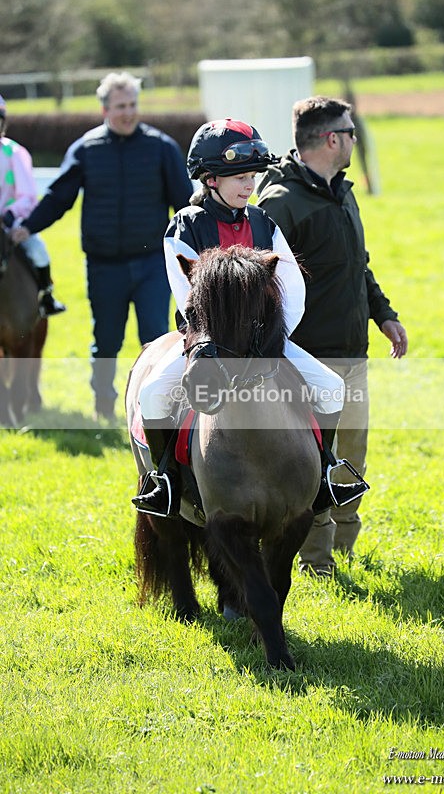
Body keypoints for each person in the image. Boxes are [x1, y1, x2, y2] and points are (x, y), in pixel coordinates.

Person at [132, 118, 368, 518]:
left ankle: (325, 471)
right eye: (240, 177)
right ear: (210, 179)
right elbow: (189, 295)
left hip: (264, 341)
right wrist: (223, 338)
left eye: (253, 176)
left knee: (330, 386)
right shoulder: (185, 226)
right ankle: (166, 480)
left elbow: (292, 286)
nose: (250, 185)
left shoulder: (263, 222)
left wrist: (275, 338)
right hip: (206, 342)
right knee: (152, 393)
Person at [256, 96, 408, 577]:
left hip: (353, 354)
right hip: (307, 360)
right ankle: (314, 560)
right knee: (314, 462)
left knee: (351, 456)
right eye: (350, 130)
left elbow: (356, 264)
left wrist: (383, 314)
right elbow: (264, 287)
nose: (354, 138)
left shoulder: (343, 191)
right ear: (330, 138)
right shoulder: (280, 203)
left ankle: (343, 548)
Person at [11, 72, 193, 421]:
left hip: (151, 265)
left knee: (156, 340)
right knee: (106, 342)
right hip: (104, 265)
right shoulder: (86, 149)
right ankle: (103, 407)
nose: (128, 112)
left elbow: (184, 206)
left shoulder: (161, 147)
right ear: (105, 109)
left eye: (133, 105)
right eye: (121, 106)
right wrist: (27, 228)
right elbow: (58, 198)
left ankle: (156, 411)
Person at [0, 94, 66, 317]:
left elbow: (28, 195)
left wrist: (10, 215)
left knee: (38, 251)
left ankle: (47, 295)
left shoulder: (14, 153)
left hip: (9, 224)